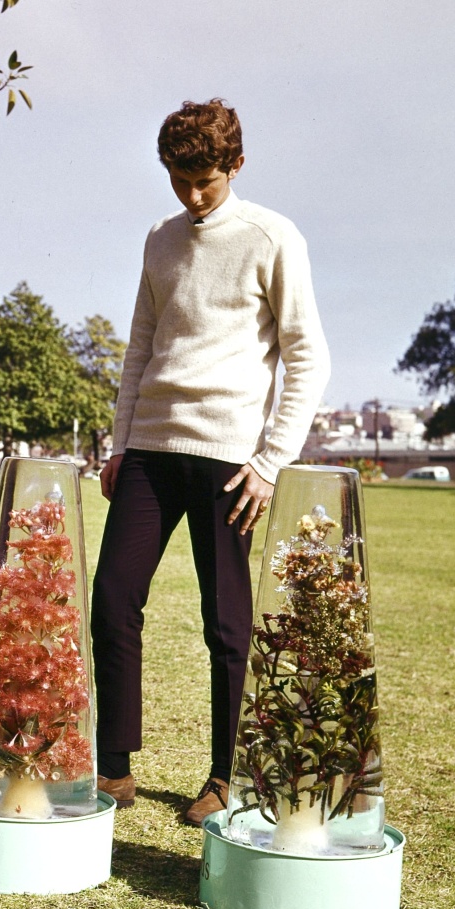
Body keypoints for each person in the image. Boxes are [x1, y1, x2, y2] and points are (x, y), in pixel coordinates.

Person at [91, 99, 329, 824]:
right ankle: (115, 767)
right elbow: (140, 347)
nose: (194, 196)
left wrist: (269, 462)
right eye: (180, 180)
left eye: (206, 181)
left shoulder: (272, 237)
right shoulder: (160, 241)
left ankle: (225, 777)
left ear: (236, 166)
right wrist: (121, 440)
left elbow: (308, 356)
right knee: (111, 602)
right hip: (151, 453)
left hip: (231, 462)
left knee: (226, 625)